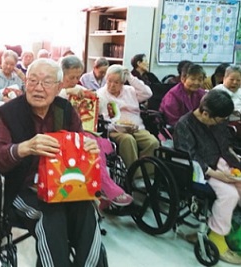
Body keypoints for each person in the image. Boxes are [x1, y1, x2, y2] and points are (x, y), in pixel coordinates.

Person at [0, 58, 104, 266]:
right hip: (23, 189)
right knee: (51, 215)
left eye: (46, 82)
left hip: (65, 188)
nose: (38, 88)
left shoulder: (65, 110)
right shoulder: (10, 113)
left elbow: (80, 142)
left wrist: (87, 148)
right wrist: (24, 148)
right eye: (33, 81)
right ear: (25, 83)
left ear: (59, 87)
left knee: (88, 211)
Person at [174, 90, 241, 264]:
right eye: (220, 120)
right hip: (201, 171)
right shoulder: (185, 125)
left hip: (223, 163)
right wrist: (218, 174)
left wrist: (234, 160)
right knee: (230, 195)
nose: (222, 123)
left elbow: (226, 146)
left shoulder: (216, 120)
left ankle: (227, 232)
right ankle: (217, 240)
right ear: (205, 113)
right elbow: (190, 156)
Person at [57, 55, 132, 207]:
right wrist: (70, 91)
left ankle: (101, 185)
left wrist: (92, 95)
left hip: (81, 132)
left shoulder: (77, 88)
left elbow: (101, 101)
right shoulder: (57, 89)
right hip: (62, 134)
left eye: (77, 77)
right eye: (71, 77)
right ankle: (105, 186)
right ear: (60, 75)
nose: (75, 81)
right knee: (91, 145)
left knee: (101, 144)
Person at [97, 64, 159, 169]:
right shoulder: (101, 95)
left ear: (122, 83)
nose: (112, 85)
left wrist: (131, 77)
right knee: (128, 140)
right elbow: (104, 119)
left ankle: (147, 174)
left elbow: (147, 93)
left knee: (153, 142)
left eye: (116, 82)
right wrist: (120, 127)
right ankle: (134, 176)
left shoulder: (130, 91)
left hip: (136, 127)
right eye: (109, 81)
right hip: (115, 130)